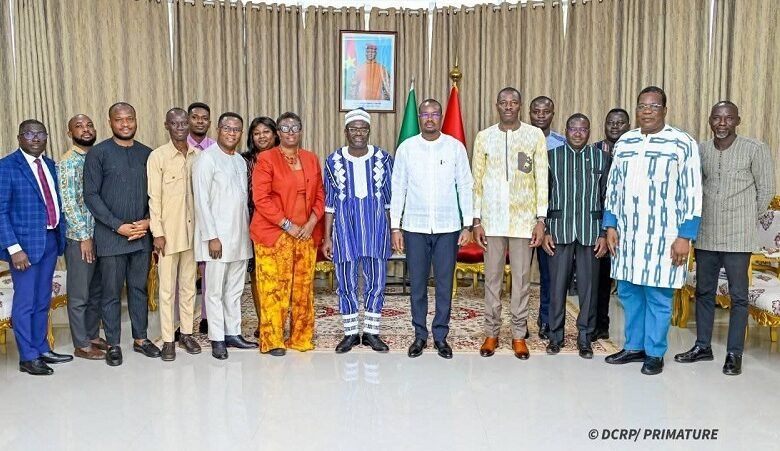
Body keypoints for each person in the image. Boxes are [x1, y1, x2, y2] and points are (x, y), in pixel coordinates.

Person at [603, 86, 702, 375]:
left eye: (654, 106)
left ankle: (655, 353)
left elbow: (693, 192)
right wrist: (610, 224)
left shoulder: (682, 143)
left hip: (665, 235)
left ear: (664, 110)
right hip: (627, 233)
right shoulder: (625, 142)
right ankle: (634, 346)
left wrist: (685, 235)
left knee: (659, 295)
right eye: (642, 106)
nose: (647, 111)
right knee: (629, 292)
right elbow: (614, 187)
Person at [674, 101, 774, 376]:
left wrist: (743, 217)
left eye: (727, 118)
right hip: (706, 234)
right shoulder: (701, 150)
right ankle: (702, 346)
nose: (721, 123)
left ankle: (734, 353)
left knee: (739, 296)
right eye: (717, 118)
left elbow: (766, 190)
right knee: (704, 292)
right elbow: (695, 187)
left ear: (737, 121)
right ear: (710, 120)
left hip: (739, 237)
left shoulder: (755, 149)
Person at [390, 99, 473, 359]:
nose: (429, 118)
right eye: (424, 114)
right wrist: (395, 226)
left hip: (448, 227)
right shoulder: (407, 148)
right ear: (419, 118)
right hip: (414, 227)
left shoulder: (454, 147)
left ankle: (440, 336)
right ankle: (419, 335)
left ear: (440, 117)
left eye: (434, 114)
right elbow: (398, 188)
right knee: (417, 285)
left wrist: (467, 224)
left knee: (445, 284)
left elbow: (465, 186)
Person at [472, 87, 547, 360]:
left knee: (522, 280)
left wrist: (540, 219)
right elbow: (476, 182)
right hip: (491, 221)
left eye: (513, 102)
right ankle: (491, 332)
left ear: (519, 106)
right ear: (497, 105)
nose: (508, 106)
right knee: (491, 279)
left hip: (523, 220)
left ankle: (518, 334)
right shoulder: (484, 137)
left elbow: (541, 179)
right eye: (503, 102)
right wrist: (476, 220)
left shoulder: (534, 135)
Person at [84, 102, 161, 366]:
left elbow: (157, 194)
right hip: (111, 236)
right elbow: (91, 195)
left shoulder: (148, 154)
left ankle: (141, 339)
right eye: (119, 120)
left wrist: (149, 222)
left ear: (136, 120)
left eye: (130, 119)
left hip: (141, 235)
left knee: (139, 289)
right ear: (110, 122)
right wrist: (117, 225)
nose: (125, 124)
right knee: (111, 292)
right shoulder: (98, 154)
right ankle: (114, 343)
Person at [0, 120, 71, 375]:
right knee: (26, 301)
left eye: (41, 133)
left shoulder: (50, 165)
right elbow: (1, 211)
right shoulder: (7, 167)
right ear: (19, 137)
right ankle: (27, 356)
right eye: (29, 133)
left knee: (42, 299)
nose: (35, 138)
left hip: (50, 241)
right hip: (24, 248)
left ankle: (42, 348)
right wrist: (14, 248)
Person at [251, 112, 325, 356]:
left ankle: (301, 337)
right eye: (285, 127)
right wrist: (287, 225)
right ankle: (272, 339)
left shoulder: (311, 159)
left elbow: (320, 195)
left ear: (301, 131)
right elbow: (260, 198)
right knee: (274, 288)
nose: (290, 131)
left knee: (303, 289)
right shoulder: (266, 159)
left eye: (295, 127)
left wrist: (312, 223)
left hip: (305, 234)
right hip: (274, 235)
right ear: (278, 133)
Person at [322, 108, 393, 354]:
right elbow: (329, 204)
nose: (358, 133)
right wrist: (326, 237)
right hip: (344, 230)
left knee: (377, 282)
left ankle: (372, 332)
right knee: (346, 283)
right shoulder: (333, 161)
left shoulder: (384, 159)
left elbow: (389, 202)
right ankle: (351, 333)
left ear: (369, 131)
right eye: (354, 129)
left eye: (363, 129)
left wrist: (394, 231)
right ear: (346, 131)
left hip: (376, 230)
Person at [541, 114, 610, 359]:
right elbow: (543, 197)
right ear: (566, 131)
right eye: (573, 128)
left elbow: (607, 199)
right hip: (558, 231)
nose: (578, 133)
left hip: (591, 233)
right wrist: (545, 229)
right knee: (557, 287)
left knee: (589, 289)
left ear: (589, 131)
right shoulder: (552, 158)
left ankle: (585, 337)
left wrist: (604, 233)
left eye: (583, 129)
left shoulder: (601, 158)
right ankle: (555, 336)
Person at [193, 112, 257, 359]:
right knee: (215, 290)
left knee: (235, 289)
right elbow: (201, 201)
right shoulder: (206, 159)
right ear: (218, 130)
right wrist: (211, 236)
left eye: (237, 129)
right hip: (217, 239)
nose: (232, 133)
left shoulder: (240, 161)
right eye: (227, 128)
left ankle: (233, 332)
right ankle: (217, 337)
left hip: (240, 237)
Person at [147, 108, 202, 361]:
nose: (180, 126)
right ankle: (168, 339)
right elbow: (154, 199)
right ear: (166, 125)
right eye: (175, 123)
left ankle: (187, 334)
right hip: (168, 236)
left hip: (193, 235)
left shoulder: (199, 156)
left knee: (189, 286)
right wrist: (157, 233)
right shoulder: (158, 157)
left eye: (184, 122)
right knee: (167, 289)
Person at [58, 114, 108, 360]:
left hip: (100, 235)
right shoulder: (68, 162)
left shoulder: (96, 157)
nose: (85, 129)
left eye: (89, 125)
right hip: (80, 239)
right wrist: (84, 237)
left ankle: (92, 334)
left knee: (96, 289)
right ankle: (81, 344)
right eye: (79, 126)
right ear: (70, 134)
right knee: (80, 293)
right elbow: (69, 204)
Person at [591, 108, 631, 341]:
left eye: (620, 123)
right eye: (611, 122)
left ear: (628, 125)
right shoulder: (594, 150)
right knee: (600, 279)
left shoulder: (633, 149)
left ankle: (632, 334)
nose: (615, 127)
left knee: (626, 282)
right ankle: (599, 324)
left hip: (628, 225)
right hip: (600, 225)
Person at [528, 95, 566, 339]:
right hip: (520, 218)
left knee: (548, 275)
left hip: (549, 220)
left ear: (553, 114)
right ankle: (519, 324)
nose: (541, 115)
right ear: (529, 113)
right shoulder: (520, 138)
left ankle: (546, 320)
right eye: (536, 111)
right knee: (520, 276)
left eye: (546, 111)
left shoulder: (562, 144)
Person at [242, 116, 280, 339]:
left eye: (266, 132)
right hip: (252, 221)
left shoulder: (286, 157)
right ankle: (263, 321)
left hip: (280, 223)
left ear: (275, 134)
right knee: (257, 274)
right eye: (257, 133)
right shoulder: (244, 160)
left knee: (280, 275)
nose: (262, 136)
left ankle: (279, 318)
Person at [187, 101, 217, 334]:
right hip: (184, 220)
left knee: (209, 272)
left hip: (209, 219)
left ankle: (207, 317)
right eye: (195, 117)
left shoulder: (216, 149)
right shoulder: (178, 147)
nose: (199, 121)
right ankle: (182, 322)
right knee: (184, 274)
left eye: (204, 118)